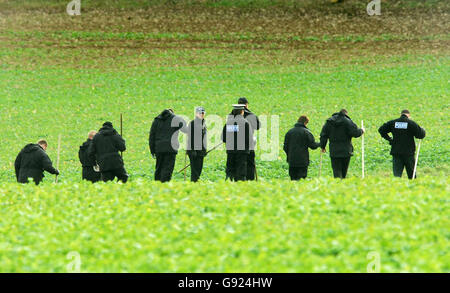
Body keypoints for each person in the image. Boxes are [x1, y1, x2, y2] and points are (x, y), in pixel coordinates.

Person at [378, 109, 426, 179]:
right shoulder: (411, 123)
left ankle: (396, 187)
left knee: (397, 175)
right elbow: (420, 135)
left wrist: (390, 139)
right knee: (411, 175)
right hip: (408, 152)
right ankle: (413, 187)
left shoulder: (393, 123)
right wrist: (422, 130)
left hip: (396, 151)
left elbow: (381, 130)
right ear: (408, 115)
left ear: (401, 114)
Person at [320, 109, 365, 178]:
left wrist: (323, 146)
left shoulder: (329, 122)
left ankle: (338, 184)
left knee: (336, 170)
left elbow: (323, 135)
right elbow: (355, 133)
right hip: (346, 150)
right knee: (344, 171)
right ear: (345, 114)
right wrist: (362, 130)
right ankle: (342, 184)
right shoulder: (348, 121)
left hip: (334, 150)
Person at [149, 109, 187, 182]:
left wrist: (152, 150)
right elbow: (184, 128)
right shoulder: (175, 119)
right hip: (170, 149)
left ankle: (157, 185)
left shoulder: (156, 120)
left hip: (159, 149)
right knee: (167, 169)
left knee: (158, 168)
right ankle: (165, 185)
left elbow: (151, 136)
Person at [283, 115, 321, 180]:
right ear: (305, 123)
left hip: (292, 160)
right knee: (302, 180)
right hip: (303, 161)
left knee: (293, 179)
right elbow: (313, 146)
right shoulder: (306, 132)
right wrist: (320, 143)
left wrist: (289, 154)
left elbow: (285, 147)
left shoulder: (289, 132)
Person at [222, 104, 253, 181]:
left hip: (230, 151)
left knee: (230, 170)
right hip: (242, 152)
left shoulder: (228, 123)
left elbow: (223, 138)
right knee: (241, 171)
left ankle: (228, 184)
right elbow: (249, 139)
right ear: (242, 112)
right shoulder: (245, 123)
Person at [238, 97, 260, 180]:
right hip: (249, 143)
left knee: (238, 163)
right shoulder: (251, 115)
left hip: (235, 145)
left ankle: (238, 180)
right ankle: (250, 180)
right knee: (250, 163)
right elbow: (258, 126)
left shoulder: (232, 115)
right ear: (246, 105)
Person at [186, 107, 207, 182]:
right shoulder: (192, 123)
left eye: (203, 113)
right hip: (193, 152)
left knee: (199, 170)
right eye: (200, 113)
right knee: (195, 172)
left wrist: (204, 150)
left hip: (200, 152)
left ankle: (196, 183)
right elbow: (190, 138)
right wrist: (192, 150)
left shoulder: (203, 124)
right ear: (196, 114)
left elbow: (204, 139)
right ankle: (193, 184)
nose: (201, 114)